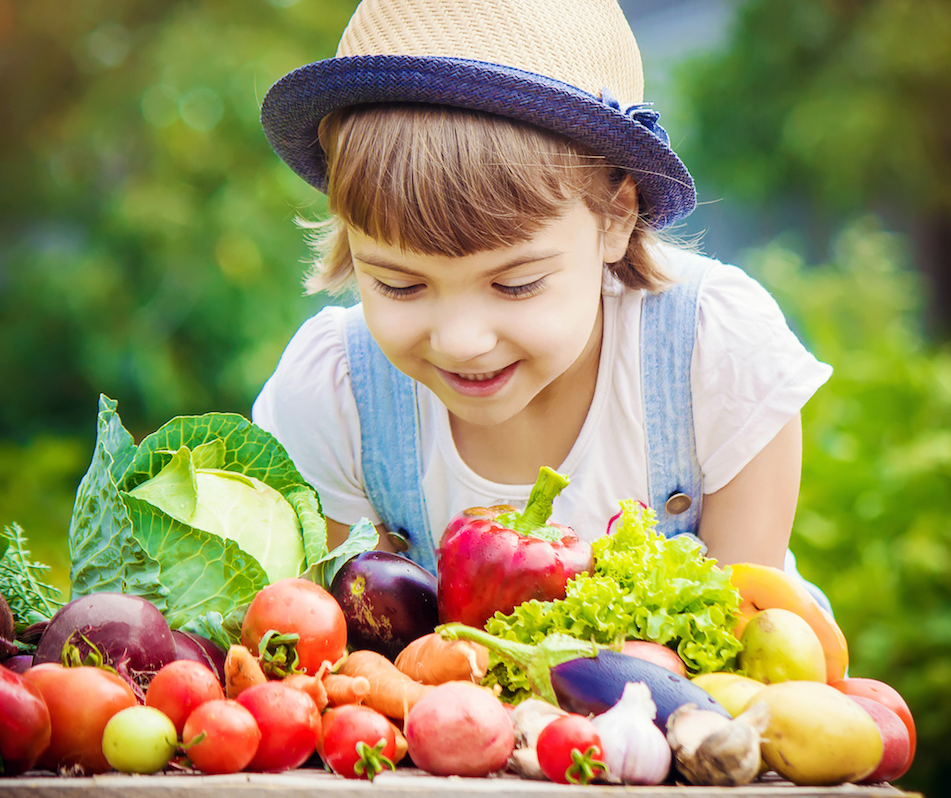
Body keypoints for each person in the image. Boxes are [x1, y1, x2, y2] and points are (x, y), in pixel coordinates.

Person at [251, 0, 832, 589]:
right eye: (399, 285)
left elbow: (748, 650)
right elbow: (348, 651)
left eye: (515, 284)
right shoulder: (336, 397)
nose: (461, 341)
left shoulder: (714, 350)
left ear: (615, 217)